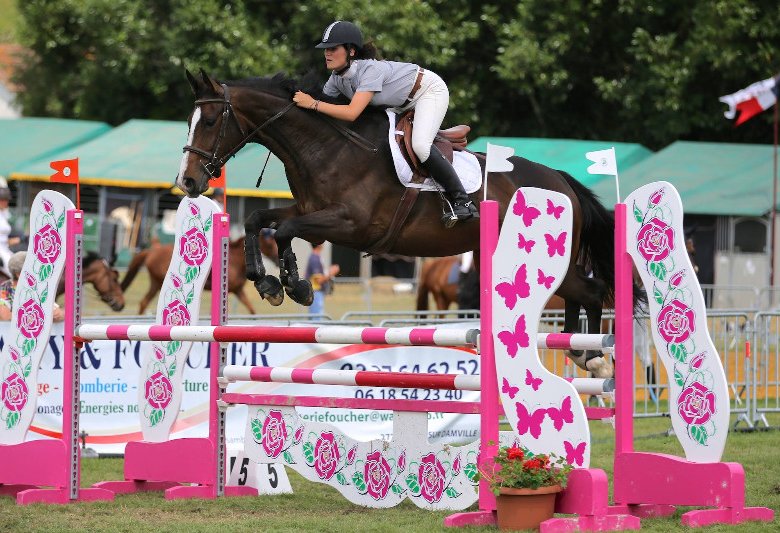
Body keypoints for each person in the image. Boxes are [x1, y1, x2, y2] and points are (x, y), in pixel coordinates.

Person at [293, 20, 478, 227]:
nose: (327, 53)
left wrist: (313, 104)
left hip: (428, 92)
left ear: (351, 51)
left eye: (333, 49)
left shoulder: (370, 70)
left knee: (420, 145)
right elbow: (324, 111)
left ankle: (463, 201)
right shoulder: (337, 78)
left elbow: (351, 113)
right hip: (400, 105)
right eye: (325, 49)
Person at [0, 251, 64, 322]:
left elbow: (56, 311)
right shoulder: (5, 289)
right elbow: (6, 317)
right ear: (18, 274)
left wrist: (59, 314)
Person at [305, 243, 340, 316]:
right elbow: (319, 280)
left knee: (316, 319)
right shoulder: (315, 259)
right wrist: (331, 273)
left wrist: (328, 271)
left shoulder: (316, 257)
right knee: (316, 320)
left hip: (316, 293)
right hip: (315, 293)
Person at [0, 177, 20, 278]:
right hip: (1, 249)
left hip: (5, 247)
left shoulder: (3, 215)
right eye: (4, 200)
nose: (6, 203)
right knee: (12, 268)